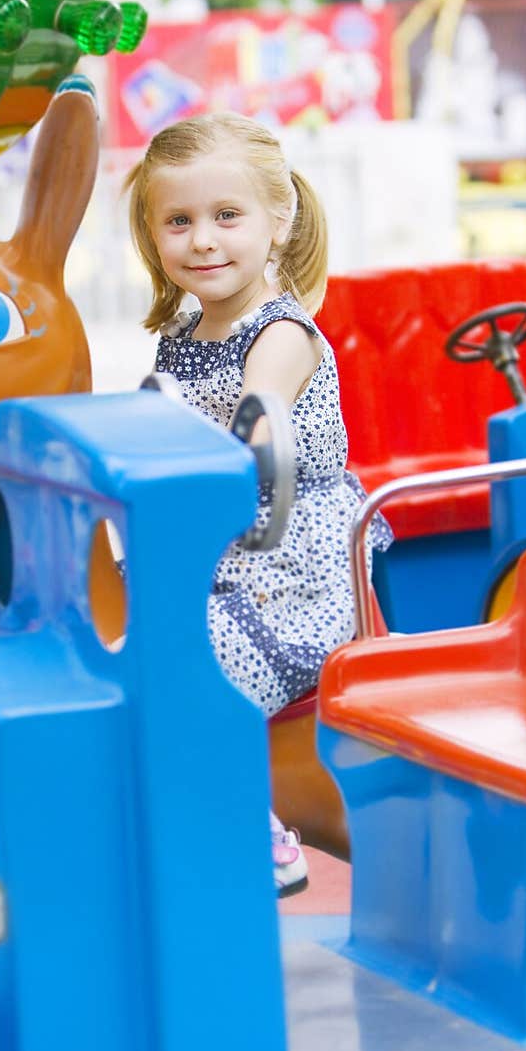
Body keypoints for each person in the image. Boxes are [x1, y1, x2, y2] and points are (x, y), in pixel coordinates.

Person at [125, 113, 391, 897]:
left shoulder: (280, 336)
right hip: (219, 544)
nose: (202, 240)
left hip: (294, 565)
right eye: (179, 221)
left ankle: (255, 822)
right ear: (153, 233)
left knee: (191, 665)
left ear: (279, 223)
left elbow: (252, 430)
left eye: (226, 216)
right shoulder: (180, 333)